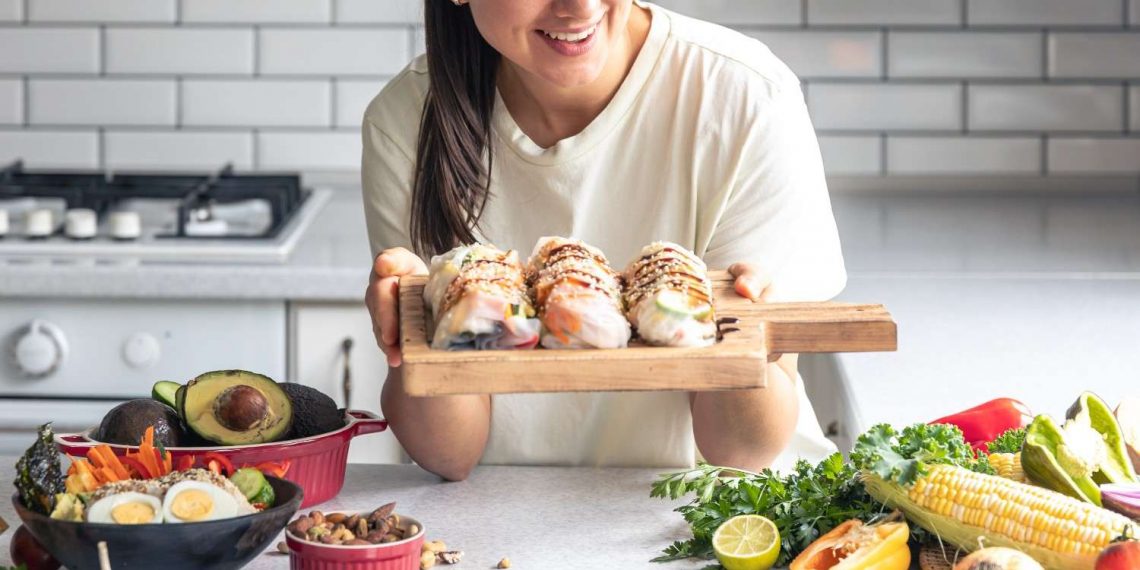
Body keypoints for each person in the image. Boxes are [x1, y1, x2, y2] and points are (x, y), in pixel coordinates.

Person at [362, 0, 846, 481]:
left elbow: (741, 450)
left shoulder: (746, 96)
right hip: (507, 516)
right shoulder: (408, 119)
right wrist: (412, 341)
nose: (579, 7)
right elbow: (451, 455)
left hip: (718, 514)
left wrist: (746, 343)